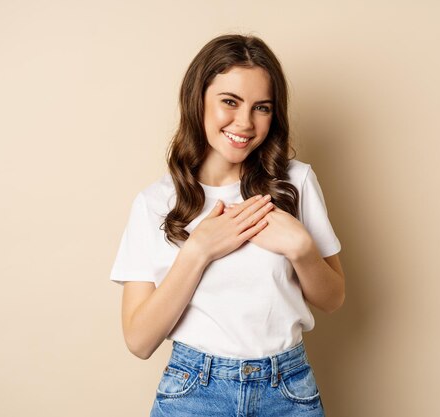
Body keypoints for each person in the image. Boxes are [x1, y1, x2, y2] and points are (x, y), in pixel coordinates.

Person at [110, 34, 345, 417]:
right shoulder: (154, 203)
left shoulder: (295, 183)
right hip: (192, 392)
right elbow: (139, 341)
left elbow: (333, 298)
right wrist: (198, 251)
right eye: (230, 102)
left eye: (262, 107)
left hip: (287, 390)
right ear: (197, 99)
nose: (245, 123)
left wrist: (301, 250)